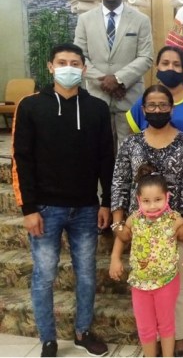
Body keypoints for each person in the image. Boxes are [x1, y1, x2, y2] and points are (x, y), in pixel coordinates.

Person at [12, 43, 114, 357]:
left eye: (74, 63)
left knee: (86, 274)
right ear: (50, 67)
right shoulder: (31, 106)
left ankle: (83, 332)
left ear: (84, 69)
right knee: (45, 275)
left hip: (86, 207)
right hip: (45, 208)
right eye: (61, 62)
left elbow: (106, 158)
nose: (68, 67)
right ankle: (48, 339)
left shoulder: (97, 108)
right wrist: (29, 208)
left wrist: (107, 202)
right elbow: (22, 159)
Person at [110, 85, 183, 357]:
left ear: (171, 109)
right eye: (151, 105)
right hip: (140, 228)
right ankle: (152, 341)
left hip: (176, 228)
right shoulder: (131, 144)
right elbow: (119, 182)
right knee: (146, 288)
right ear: (143, 110)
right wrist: (118, 224)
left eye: (162, 105)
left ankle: (181, 337)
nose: (157, 110)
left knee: (180, 285)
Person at [109, 164, 183, 357]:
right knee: (145, 327)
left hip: (167, 281)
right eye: (146, 201)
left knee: (166, 324)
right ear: (138, 200)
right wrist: (115, 259)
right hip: (140, 283)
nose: (152, 206)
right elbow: (122, 238)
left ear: (167, 197)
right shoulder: (134, 219)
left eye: (158, 200)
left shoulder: (174, 219)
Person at [74, 0, 154, 148]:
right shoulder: (85, 20)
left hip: (128, 96)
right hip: (97, 96)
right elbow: (79, 57)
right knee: (100, 151)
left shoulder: (141, 20)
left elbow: (146, 57)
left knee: (130, 152)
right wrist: (105, 81)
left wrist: (118, 79)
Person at [126, 46, 183, 149]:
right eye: (165, 63)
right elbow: (132, 144)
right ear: (157, 67)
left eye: (176, 64)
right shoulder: (145, 101)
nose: (170, 68)